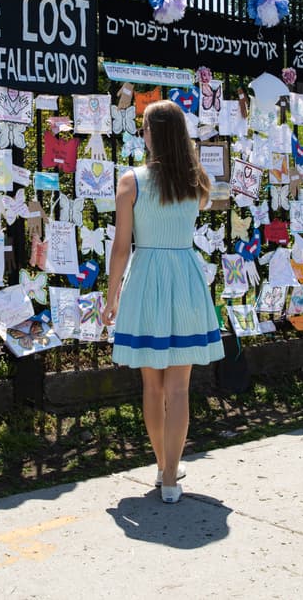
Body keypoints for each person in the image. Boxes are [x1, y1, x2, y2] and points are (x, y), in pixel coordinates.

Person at [102, 100, 225, 504]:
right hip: (185, 279)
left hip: (146, 280)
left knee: (152, 387)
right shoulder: (197, 180)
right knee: (179, 388)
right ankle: (171, 476)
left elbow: (121, 248)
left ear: (153, 133)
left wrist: (111, 296)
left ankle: (161, 466)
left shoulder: (131, 181)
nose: (142, 134)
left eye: (144, 127)